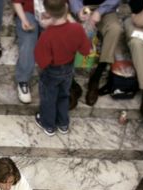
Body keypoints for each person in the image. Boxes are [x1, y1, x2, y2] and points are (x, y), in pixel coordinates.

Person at [34, 0, 91, 136]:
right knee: (64, 96)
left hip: (52, 71)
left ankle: (48, 125)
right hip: (68, 69)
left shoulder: (47, 35)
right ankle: (63, 124)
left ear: (47, 12)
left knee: (49, 98)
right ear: (66, 7)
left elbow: (41, 60)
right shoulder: (76, 28)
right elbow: (85, 50)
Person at [69, 0, 123, 106]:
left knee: (115, 29)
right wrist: (78, 9)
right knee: (68, 30)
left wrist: (100, 11)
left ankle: (96, 78)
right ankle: (70, 82)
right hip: (84, 6)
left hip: (106, 8)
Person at [12, 0, 42, 104]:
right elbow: (17, 2)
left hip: (52, 10)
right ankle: (23, 80)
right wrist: (24, 20)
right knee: (28, 40)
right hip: (27, 11)